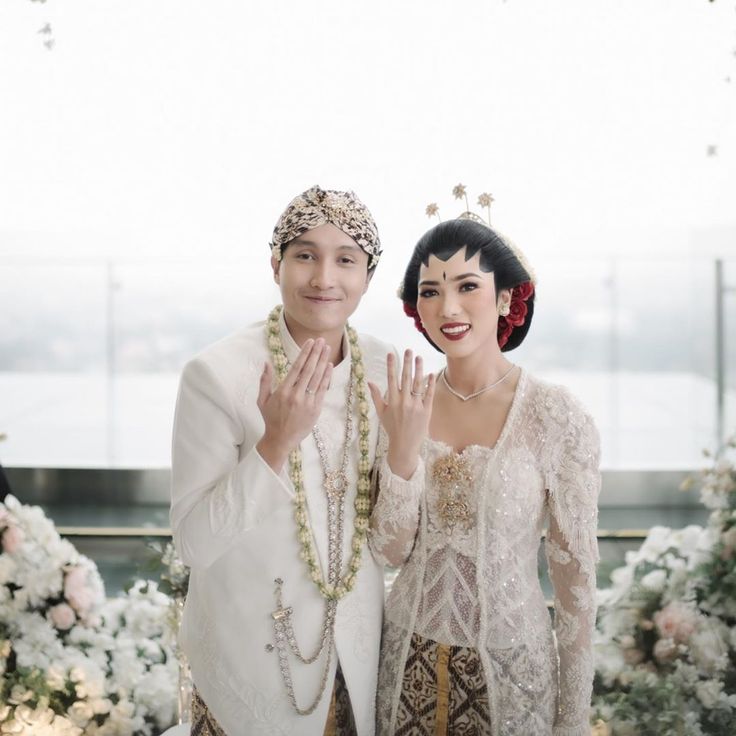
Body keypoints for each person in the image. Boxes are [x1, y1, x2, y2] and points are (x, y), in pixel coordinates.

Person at [170, 185, 394, 736]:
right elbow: (194, 543)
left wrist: (407, 460)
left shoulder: (387, 371)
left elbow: (396, 536)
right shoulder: (216, 375)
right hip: (247, 657)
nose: (324, 278)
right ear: (275, 265)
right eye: (305, 256)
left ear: (368, 276)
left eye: (345, 260)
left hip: (355, 664)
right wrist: (275, 444)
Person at [368, 217, 601, 736]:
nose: (448, 308)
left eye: (467, 286)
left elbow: (576, 586)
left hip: (516, 674)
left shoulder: (556, 417)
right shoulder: (406, 404)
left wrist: (573, 720)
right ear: (417, 310)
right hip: (404, 664)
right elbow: (387, 553)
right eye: (430, 292)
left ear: (504, 299)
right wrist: (403, 454)